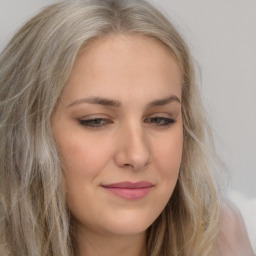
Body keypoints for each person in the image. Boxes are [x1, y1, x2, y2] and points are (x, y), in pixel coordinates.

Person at [0, 0, 253, 255]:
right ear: (25, 133)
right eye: (96, 120)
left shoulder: (231, 239)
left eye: (159, 119)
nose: (137, 155)